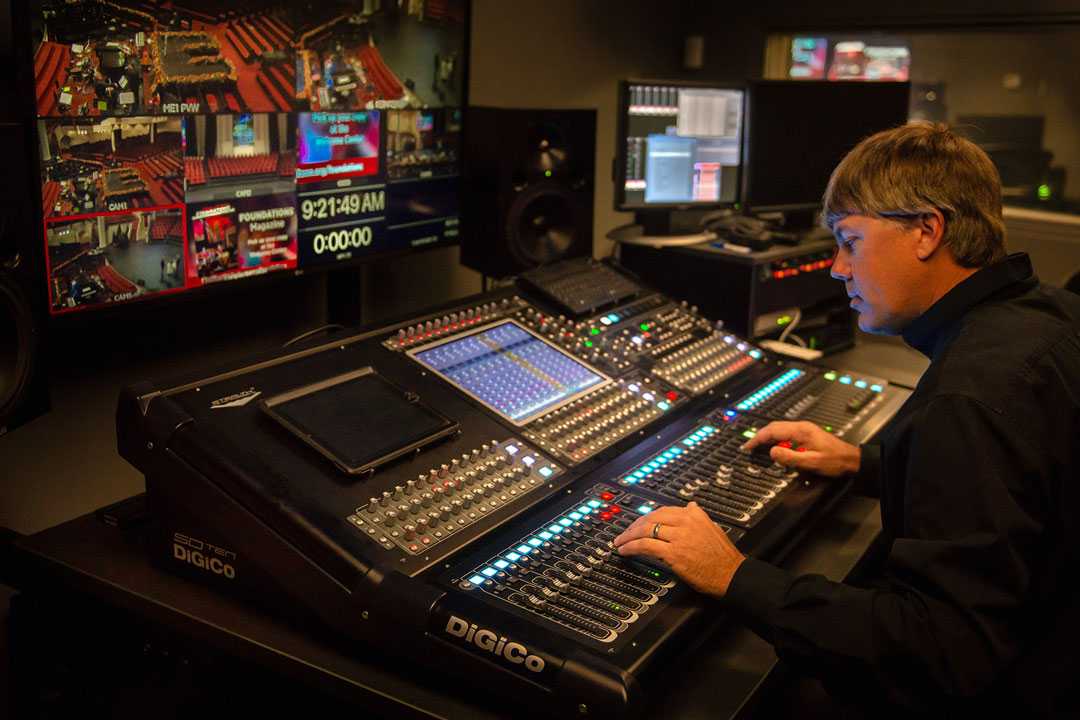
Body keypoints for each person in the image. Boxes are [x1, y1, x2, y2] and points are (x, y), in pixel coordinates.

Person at [613, 122, 1080, 716]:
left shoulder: (966, 399)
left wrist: (735, 575)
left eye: (850, 241)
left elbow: (945, 649)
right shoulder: (1053, 315)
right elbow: (1023, 489)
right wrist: (864, 462)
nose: (837, 267)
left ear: (926, 231)